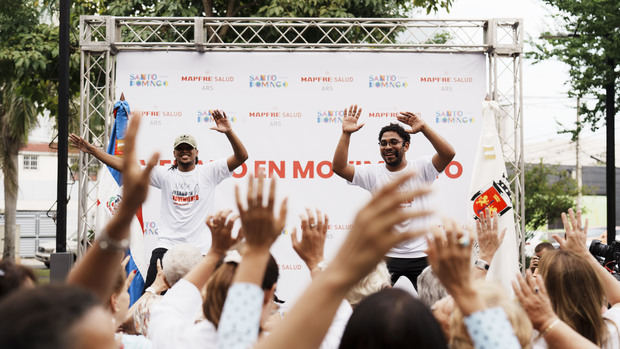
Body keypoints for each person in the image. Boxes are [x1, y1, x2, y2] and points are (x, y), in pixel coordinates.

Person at [70, 109, 248, 290]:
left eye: (188, 148)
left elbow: (242, 157)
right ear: (174, 153)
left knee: (205, 301)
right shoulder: (165, 174)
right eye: (180, 149)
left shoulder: (209, 172)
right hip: (167, 247)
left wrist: (229, 132)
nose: (184, 151)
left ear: (196, 152)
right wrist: (91, 150)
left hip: (199, 251)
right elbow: (125, 166)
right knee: (151, 297)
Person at [331, 104, 455, 287]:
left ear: (406, 145)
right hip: (386, 256)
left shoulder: (421, 168)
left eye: (393, 142)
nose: (388, 147)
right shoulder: (373, 173)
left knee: (435, 304)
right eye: (383, 143)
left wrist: (424, 128)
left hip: (422, 255)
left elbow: (448, 154)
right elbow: (339, 168)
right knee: (375, 307)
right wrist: (346, 134)